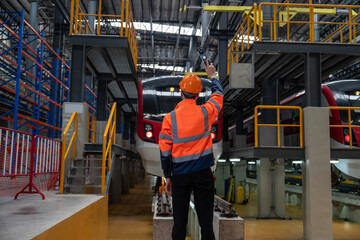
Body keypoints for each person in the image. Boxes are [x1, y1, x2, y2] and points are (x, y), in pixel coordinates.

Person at [159, 60, 223, 240]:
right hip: (203, 174)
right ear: (197, 95)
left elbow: (164, 152)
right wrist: (212, 76)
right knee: (206, 224)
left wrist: (168, 176)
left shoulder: (169, 119)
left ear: (181, 93)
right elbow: (218, 96)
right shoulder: (206, 113)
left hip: (180, 175)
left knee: (179, 223)